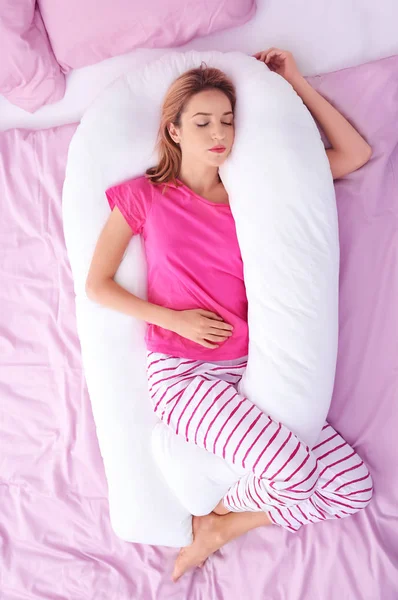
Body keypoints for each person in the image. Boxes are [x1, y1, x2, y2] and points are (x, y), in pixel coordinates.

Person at [86, 48, 373, 582]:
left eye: (227, 120)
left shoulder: (258, 192)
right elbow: (97, 285)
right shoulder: (145, 195)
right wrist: (175, 320)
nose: (219, 133)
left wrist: (296, 82)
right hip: (184, 377)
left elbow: (355, 154)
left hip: (250, 371)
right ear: (174, 131)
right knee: (294, 471)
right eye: (202, 122)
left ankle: (224, 522)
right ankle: (218, 517)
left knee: (353, 489)